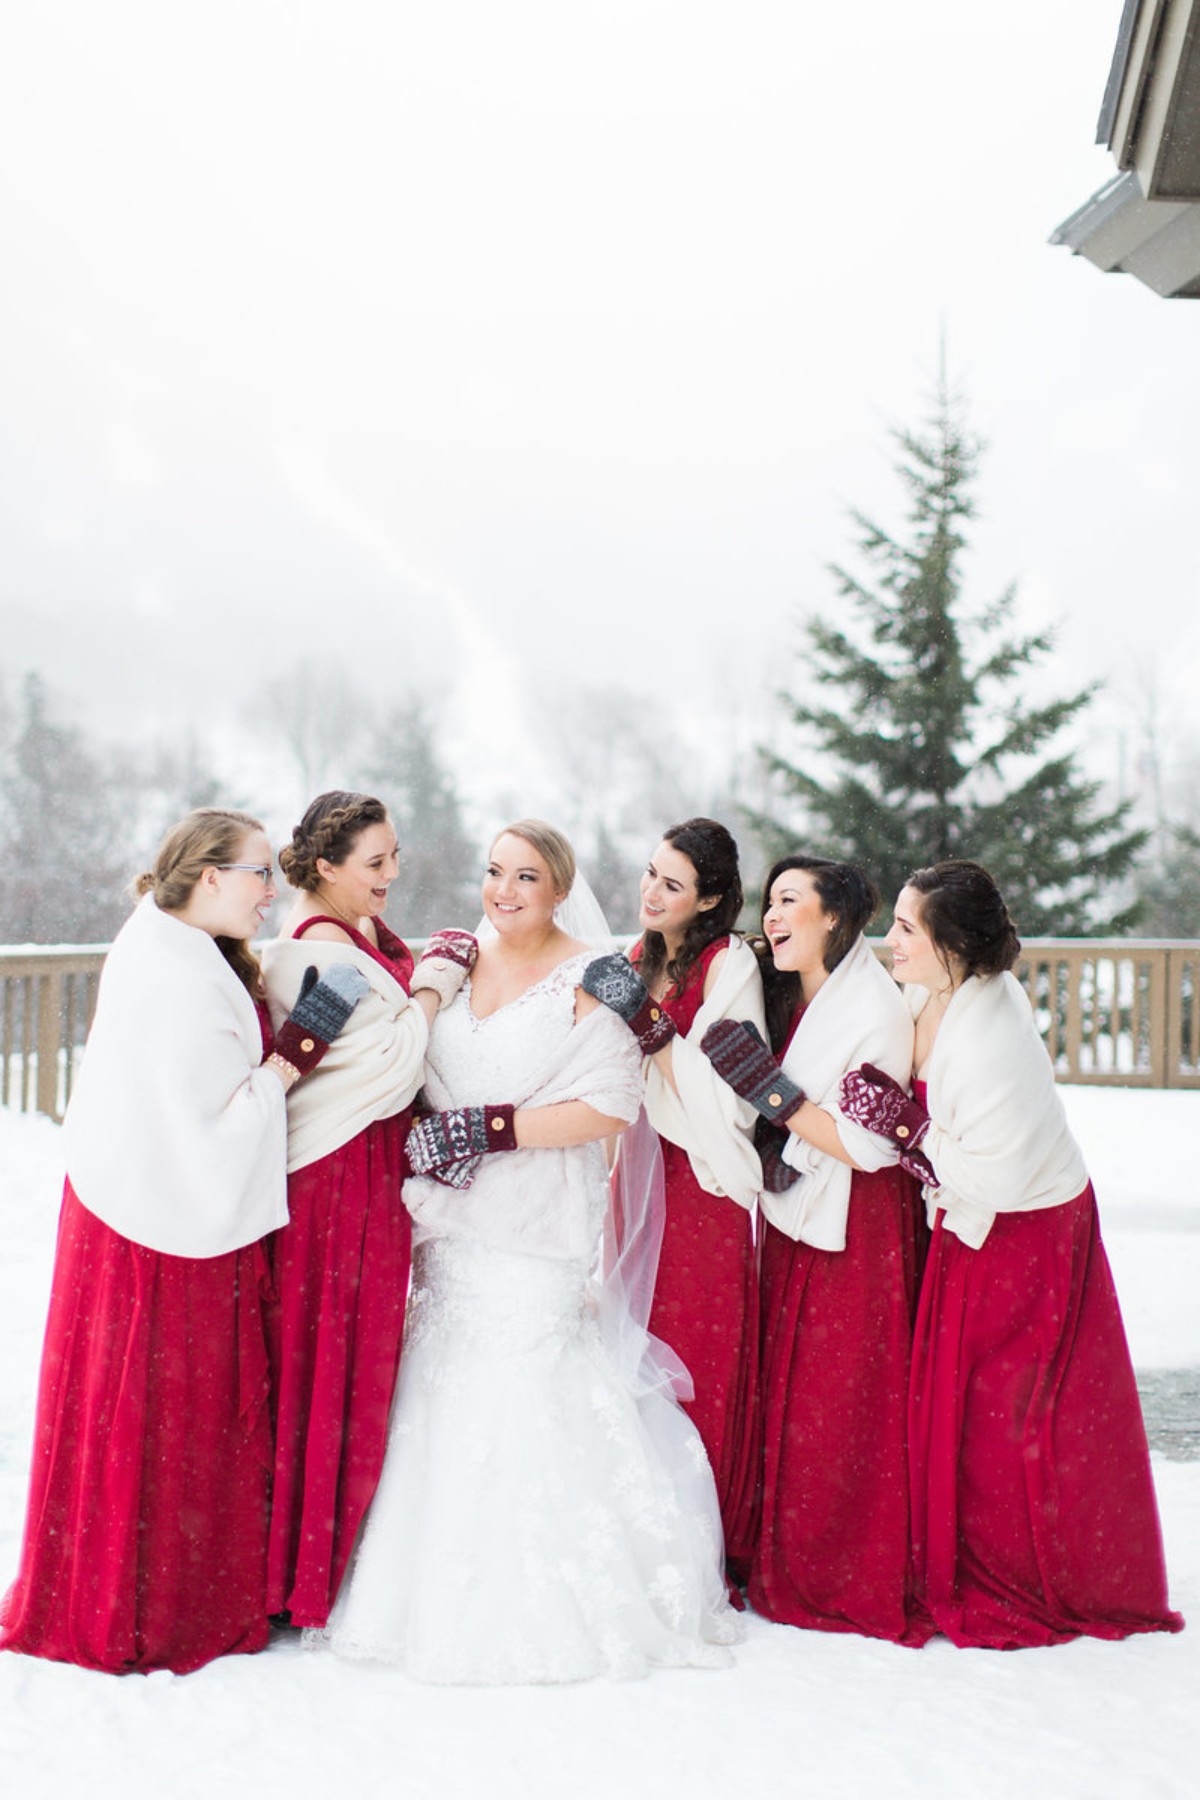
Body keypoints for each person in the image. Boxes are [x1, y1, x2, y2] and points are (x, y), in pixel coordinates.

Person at [318, 820, 738, 1683]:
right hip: (451, 1232)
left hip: (537, 1229)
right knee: (439, 1402)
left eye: (525, 876)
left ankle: (562, 1599)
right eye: (493, 873)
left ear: (559, 888)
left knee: (522, 1398)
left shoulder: (601, 972)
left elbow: (616, 1104)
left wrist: (493, 1129)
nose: (503, 891)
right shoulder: (459, 958)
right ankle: (417, 1589)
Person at [0, 809, 364, 1675]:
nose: (272, 890)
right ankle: (158, 1604)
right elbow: (212, 1123)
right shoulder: (177, 975)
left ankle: (123, 1584)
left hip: (129, 1210)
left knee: (127, 1410)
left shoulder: (161, 943)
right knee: (165, 1410)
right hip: (165, 1233)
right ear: (208, 878)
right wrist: (296, 1053)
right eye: (258, 873)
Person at [841, 859, 1184, 1649]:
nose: (890, 941)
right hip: (983, 1225)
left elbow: (989, 1176)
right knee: (971, 1407)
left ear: (951, 944)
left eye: (904, 929)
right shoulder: (942, 993)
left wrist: (902, 1127)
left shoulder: (990, 1037)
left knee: (1011, 1417)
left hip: (1025, 1234)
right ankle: (960, 1549)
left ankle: (1031, 1571)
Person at [700, 855, 928, 1645]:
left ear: (834, 917)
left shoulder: (874, 1009)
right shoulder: (797, 989)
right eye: (768, 902)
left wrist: (768, 1092)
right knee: (795, 1389)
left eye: (788, 901)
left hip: (858, 1225)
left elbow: (868, 1148)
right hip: (799, 1209)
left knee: (843, 1395)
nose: (770, 915)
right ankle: (784, 1549)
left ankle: (842, 1565)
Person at [261, 791, 460, 1628]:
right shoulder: (313, 954)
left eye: (395, 857)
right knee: (329, 1359)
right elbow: (390, 1063)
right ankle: (304, 1574)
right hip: (337, 1178)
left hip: (370, 1176)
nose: (392, 875)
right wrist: (437, 989)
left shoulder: (361, 940)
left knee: (359, 1357)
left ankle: (327, 1559)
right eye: (375, 863)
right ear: (325, 866)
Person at [622, 819, 763, 1577]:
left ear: (709, 898)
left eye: (671, 885)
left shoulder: (728, 962)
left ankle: (701, 1542)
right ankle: (643, 1524)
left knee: (695, 1347)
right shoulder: (639, 958)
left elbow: (726, 1089)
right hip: (636, 1173)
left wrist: (646, 1026)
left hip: (698, 1181)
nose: (650, 893)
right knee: (632, 1340)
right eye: (649, 874)